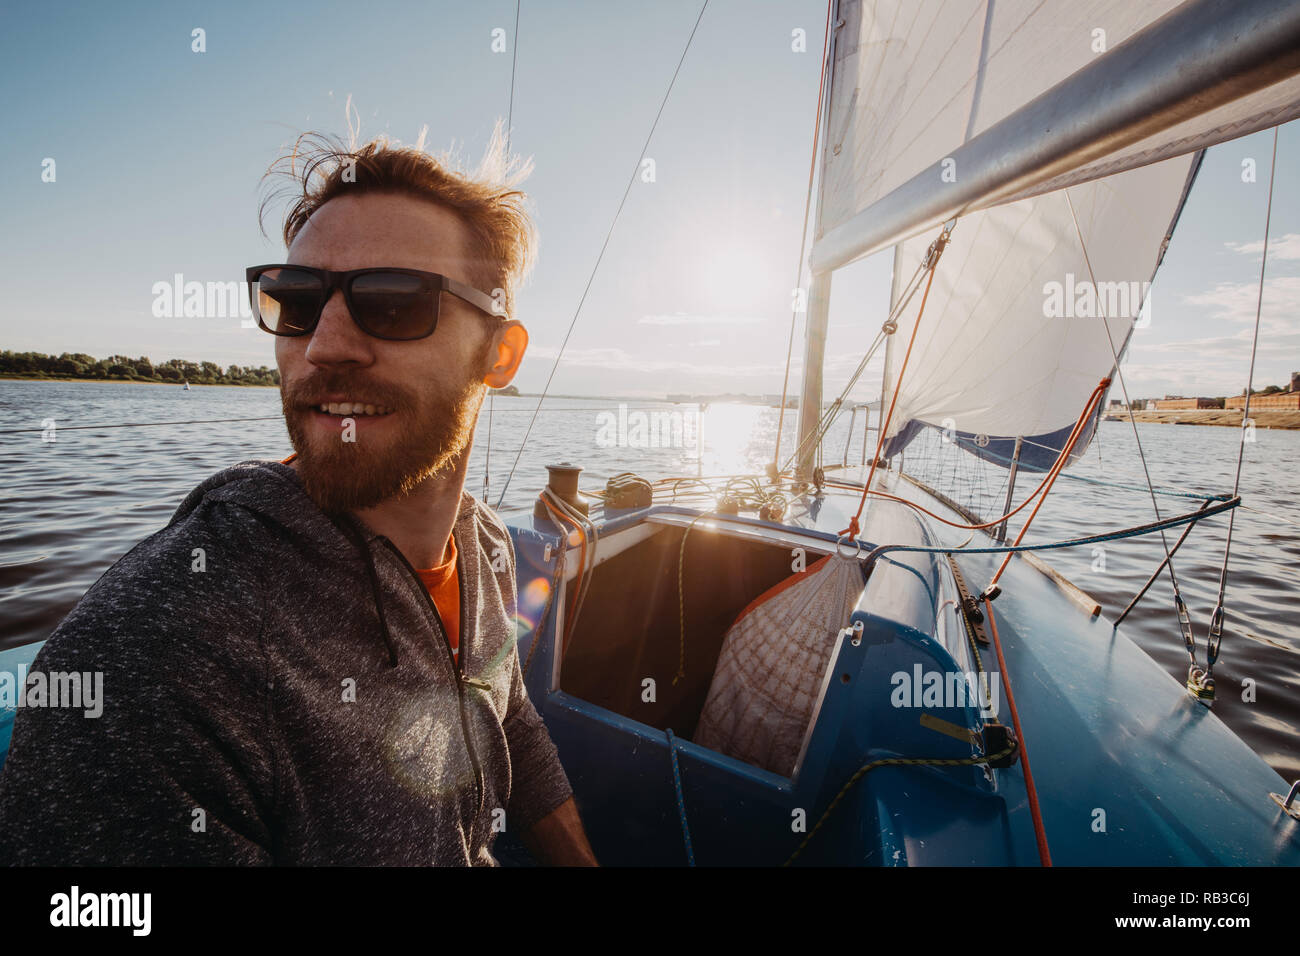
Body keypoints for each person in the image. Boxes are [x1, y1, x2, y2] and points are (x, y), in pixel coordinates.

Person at [0, 127, 598, 866]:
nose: (324, 345)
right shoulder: (158, 658)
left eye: (392, 301)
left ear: (498, 355)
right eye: (297, 301)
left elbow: (506, 719)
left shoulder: (487, 550)